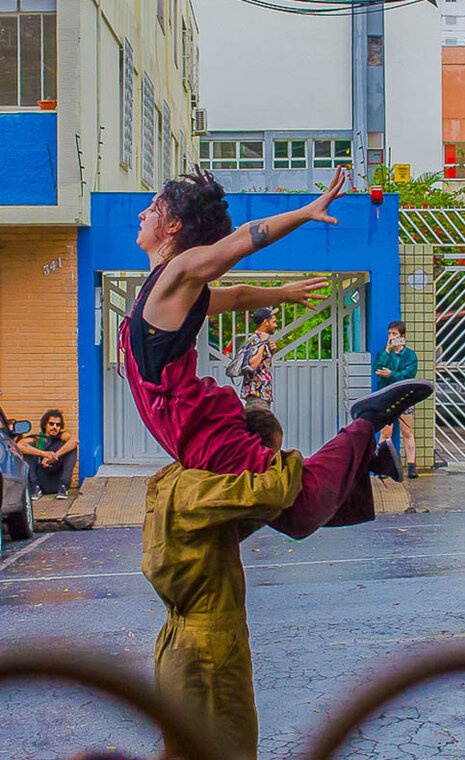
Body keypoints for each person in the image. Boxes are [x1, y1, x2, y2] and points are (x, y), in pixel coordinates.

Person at [119, 165, 433, 538]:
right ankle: (366, 456)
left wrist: (305, 211)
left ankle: (367, 421)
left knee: (296, 511)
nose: (142, 214)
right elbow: (235, 297)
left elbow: (243, 240)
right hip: (191, 433)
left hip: (202, 431)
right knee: (277, 509)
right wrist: (282, 294)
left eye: (152, 209)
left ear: (172, 226)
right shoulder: (167, 290)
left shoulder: (178, 273)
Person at [144, 408, 404, 760]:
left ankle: (365, 459)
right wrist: (288, 460)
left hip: (194, 640)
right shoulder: (193, 489)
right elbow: (273, 490)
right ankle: (366, 425)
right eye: (263, 455)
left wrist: (355, 467)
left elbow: (250, 515)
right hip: (206, 647)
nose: (265, 462)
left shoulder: (185, 483)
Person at [373, 321, 420, 479]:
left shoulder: (410, 355)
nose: (391, 337)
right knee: (386, 432)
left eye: (395, 334)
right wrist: (387, 350)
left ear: (402, 337)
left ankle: (412, 465)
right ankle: (383, 467)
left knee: (407, 431)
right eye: (390, 334)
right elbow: (377, 368)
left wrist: (391, 374)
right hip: (387, 397)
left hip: (405, 397)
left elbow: (408, 375)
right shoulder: (384, 353)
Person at [18, 409, 78, 500]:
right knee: (27, 450)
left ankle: (64, 486)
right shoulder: (38, 438)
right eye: (51, 424)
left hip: (57, 481)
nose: (54, 427)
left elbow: (74, 441)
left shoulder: (62, 436)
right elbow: (20, 445)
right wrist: (44, 454)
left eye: (58, 425)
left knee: (72, 448)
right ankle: (35, 488)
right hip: (40, 480)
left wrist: (54, 456)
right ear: (45, 424)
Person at [240, 307, 278, 410]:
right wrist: (262, 343)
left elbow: (261, 366)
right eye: (273, 322)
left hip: (261, 394)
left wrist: (271, 353)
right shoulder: (256, 339)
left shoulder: (262, 340)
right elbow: (252, 365)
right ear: (266, 322)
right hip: (256, 394)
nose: (276, 325)